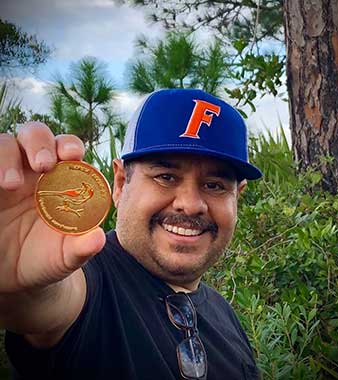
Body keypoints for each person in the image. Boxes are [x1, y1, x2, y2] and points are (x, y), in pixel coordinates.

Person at [0, 88, 262, 380]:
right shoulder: (88, 282)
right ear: (121, 182)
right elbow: (45, 301)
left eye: (214, 185)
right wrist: (21, 287)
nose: (190, 204)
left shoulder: (224, 314)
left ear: (236, 196)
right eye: (166, 177)